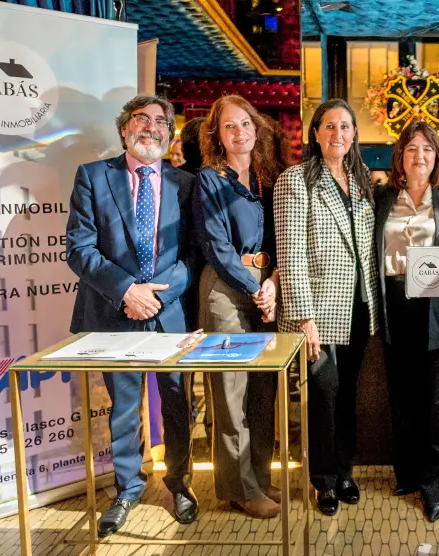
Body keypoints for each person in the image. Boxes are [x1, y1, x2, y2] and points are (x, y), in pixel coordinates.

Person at [65, 94, 197, 537]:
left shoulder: (186, 183)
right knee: (123, 408)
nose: (151, 127)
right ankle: (127, 489)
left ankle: (179, 482)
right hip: (114, 310)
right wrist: (126, 291)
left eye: (161, 121)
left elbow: (195, 253)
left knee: (177, 403)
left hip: (169, 312)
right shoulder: (92, 176)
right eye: (141, 119)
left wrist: (159, 294)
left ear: (170, 134)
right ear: (124, 129)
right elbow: (79, 249)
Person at [274, 98, 381, 516]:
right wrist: (304, 318)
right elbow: (290, 254)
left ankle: (345, 470)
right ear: (315, 133)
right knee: (323, 394)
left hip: (359, 305)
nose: (338, 133)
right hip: (317, 310)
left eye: (346, 126)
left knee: (348, 393)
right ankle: (323, 479)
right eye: (330, 126)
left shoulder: (361, 179)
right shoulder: (296, 179)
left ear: (354, 134)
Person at [373, 120, 439, 522]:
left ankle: (436, 486)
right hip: (394, 305)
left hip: (437, 309)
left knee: (435, 402)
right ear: (400, 156)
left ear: (437, 158)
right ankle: (408, 474)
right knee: (402, 397)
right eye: (412, 149)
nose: (420, 156)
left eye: (427, 149)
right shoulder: (382, 198)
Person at [193, 95, 282, 518]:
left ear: (256, 128)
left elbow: (282, 238)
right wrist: (255, 288)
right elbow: (216, 246)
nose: (239, 132)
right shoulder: (209, 179)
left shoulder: (268, 177)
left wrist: (274, 283)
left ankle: (259, 477)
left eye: (245, 123)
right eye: (229, 126)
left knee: (263, 390)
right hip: (226, 291)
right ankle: (239, 487)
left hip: (267, 288)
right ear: (217, 134)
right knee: (231, 393)